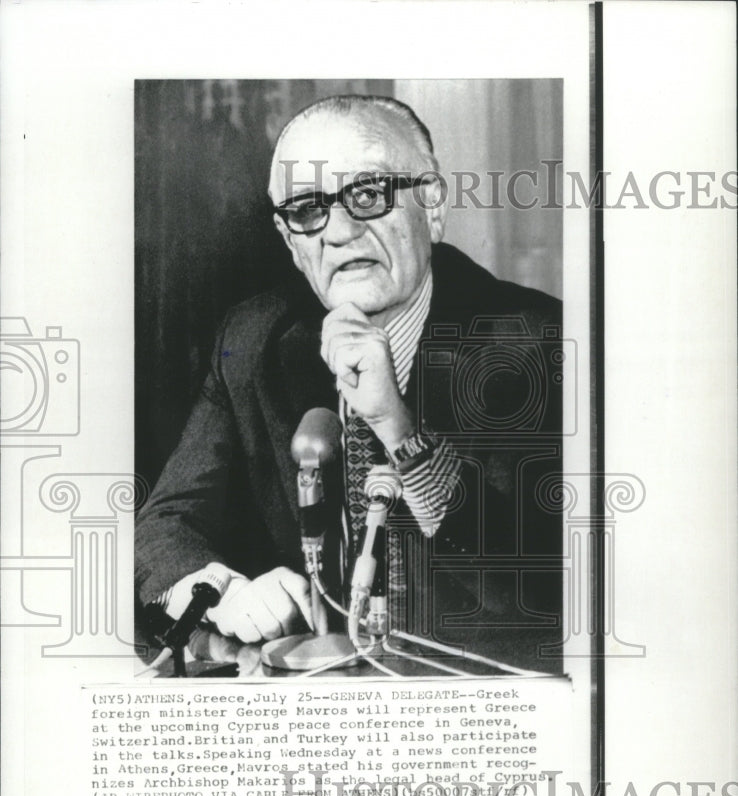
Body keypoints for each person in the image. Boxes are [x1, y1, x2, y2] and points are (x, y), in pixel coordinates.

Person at [135, 94, 563, 669]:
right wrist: (221, 592)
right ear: (290, 241)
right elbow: (164, 525)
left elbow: (544, 591)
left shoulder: (540, 344)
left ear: (432, 205)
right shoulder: (256, 341)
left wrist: (396, 425)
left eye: (368, 194)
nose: (337, 231)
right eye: (308, 209)